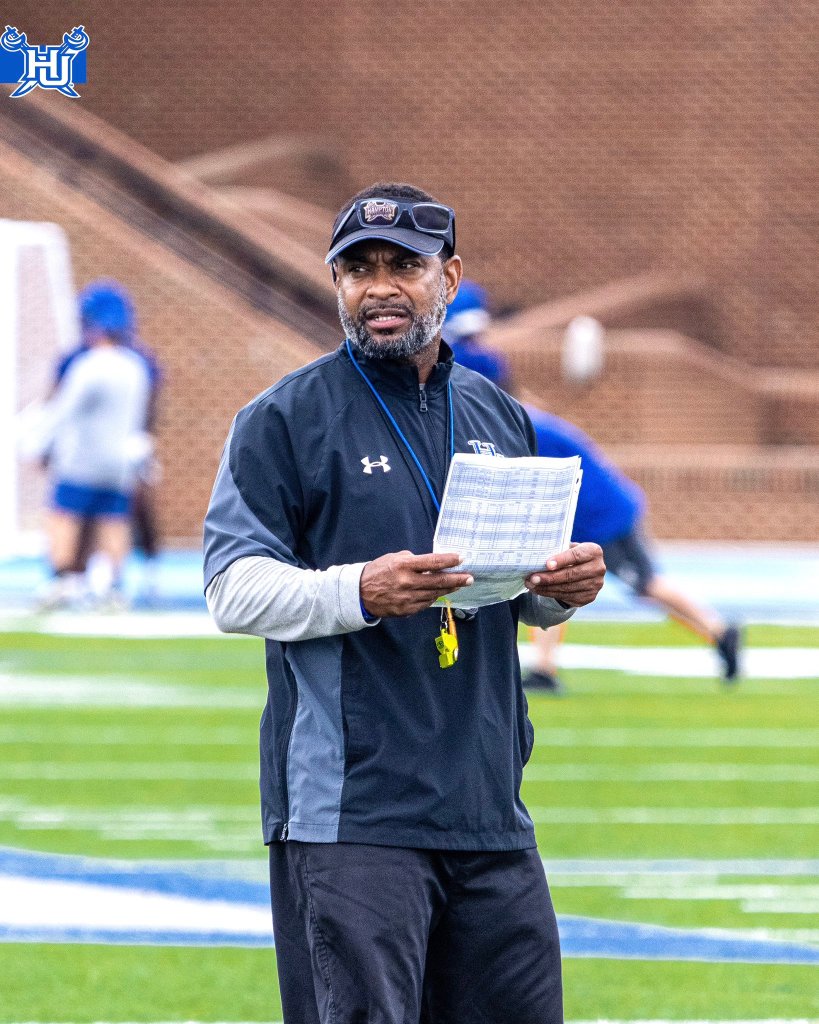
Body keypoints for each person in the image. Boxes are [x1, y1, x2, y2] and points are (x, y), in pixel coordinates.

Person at [204, 181, 606, 1024]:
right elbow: (230, 587)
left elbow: (511, 596)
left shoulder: (497, 412)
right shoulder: (281, 417)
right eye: (357, 268)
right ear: (336, 283)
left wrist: (557, 595)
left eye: (403, 266)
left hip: (488, 806)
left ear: (449, 277)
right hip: (353, 814)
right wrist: (360, 590)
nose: (379, 287)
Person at [444, 282, 741, 690]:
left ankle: (719, 630)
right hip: (591, 508)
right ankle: (545, 669)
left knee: (644, 584)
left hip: (602, 513)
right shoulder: (518, 415)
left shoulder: (499, 412)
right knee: (547, 576)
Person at [33, 281, 152, 610]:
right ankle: (114, 586)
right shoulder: (136, 367)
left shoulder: (87, 366)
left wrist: (37, 445)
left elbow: (63, 411)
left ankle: (62, 580)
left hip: (81, 459)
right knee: (113, 520)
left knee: (64, 515)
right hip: (118, 461)